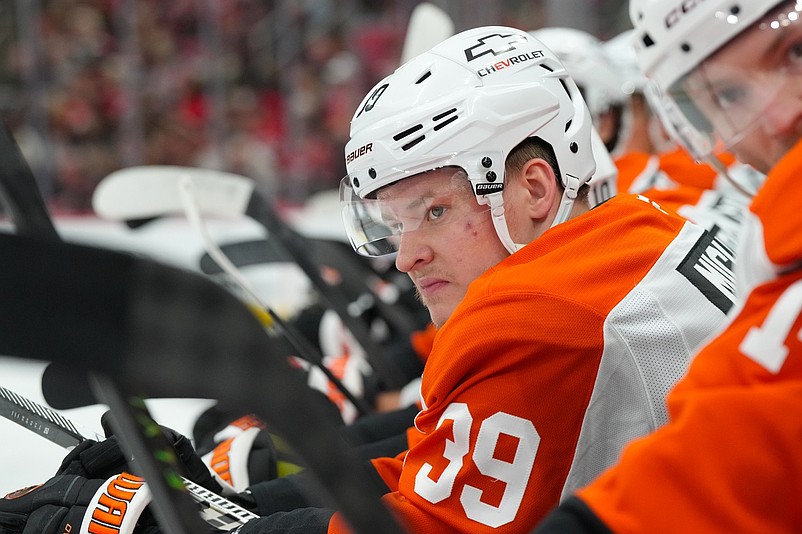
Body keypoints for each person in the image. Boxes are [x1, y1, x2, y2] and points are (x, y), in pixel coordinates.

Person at [0, 26, 736, 534]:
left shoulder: (538, 314)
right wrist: (235, 498)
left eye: (435, 212)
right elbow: (426, 471)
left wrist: (169, 522)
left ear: (535, 188)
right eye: (395, 223)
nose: (407, 253)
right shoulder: (639, 228)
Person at [534, 0, 802, 531]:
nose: (780, 111)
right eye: (731, 94)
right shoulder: (761, 231)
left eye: (795, 53)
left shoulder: (648, 219)